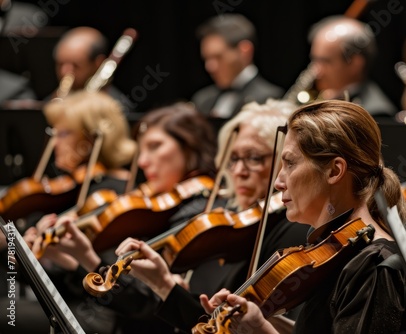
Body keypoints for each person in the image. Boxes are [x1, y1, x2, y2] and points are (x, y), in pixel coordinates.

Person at [199, 99, 406, 333]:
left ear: (334, 171)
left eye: (290, 164)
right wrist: (259, 325)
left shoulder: (374, 266)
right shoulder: (338, 253)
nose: (278, 182)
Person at [8, 102, 219, 334]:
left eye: (155, 146)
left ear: (190, 147)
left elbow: (149, 307)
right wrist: (66, 261)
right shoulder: (149, 208)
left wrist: (86, 260)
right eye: (142, 150)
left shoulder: (200, 214)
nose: (142, 161)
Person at [113, 99, 310, 333]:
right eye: (234, 159)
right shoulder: (226, 222)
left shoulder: (295, 229)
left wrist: (164, 286)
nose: (239, 171)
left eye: (254, 158)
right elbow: (207, 323)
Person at [0, 90, 137, 334]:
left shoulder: (111, 195)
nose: (54, 142)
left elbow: (86, 280)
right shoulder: (74, 188)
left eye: (63, 133)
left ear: (93, 138)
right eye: (53, 132)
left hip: (100, 314)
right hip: (69, 303)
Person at [191, 14, 284, 122]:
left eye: (218, 57)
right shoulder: (201, 99)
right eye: (206, 58)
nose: (209, 67)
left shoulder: (271, 99)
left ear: (245, 51)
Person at [307, 16, 397, 118]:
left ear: (355, 64)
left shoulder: (375, 113)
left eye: (326, 61)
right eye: (314, 60)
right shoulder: (327, 95)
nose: (316, 71)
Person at [51, 26, 134, 112]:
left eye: (76, 65)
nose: (65, 72)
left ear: (98, 63)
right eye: (60, 64)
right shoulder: (50, 103)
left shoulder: (117, 108)